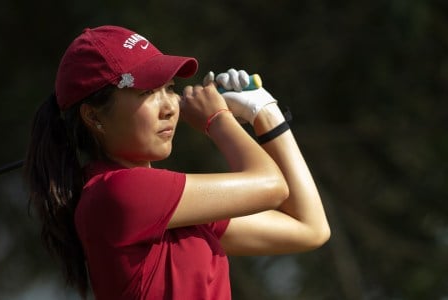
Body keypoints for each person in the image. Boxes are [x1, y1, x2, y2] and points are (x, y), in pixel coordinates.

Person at [24, 25, 330, 299]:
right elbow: (273, 186)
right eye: (147, 92)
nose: (169, 106)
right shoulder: (116, 193)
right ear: (93, 116)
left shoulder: (173, 206)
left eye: (169, 88)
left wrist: (266, 113)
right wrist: (218, 120)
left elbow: (310, 228)